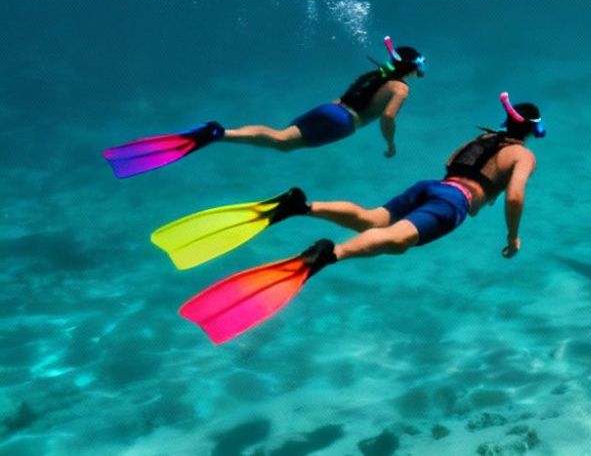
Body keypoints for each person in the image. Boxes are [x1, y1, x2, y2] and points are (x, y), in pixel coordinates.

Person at [163, 92, 546, 344]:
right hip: (454, 202)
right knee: (397, 241)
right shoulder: (522, 155)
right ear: (531, 132)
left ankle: (301, 207)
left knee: (371, 218)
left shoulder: (477, 139)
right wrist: (513, 237)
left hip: (431, 186)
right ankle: (330, 255)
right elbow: (513, 196)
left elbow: (452, 166)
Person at [103, 38, 424, 178]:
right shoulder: (400, 87)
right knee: (282, 145)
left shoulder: (375, 73)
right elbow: (387, 116)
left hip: (328, 109)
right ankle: (216, 134)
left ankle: (222, 132)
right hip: (344, 123)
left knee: (280, 135)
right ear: (412, 69)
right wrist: (390, 143)